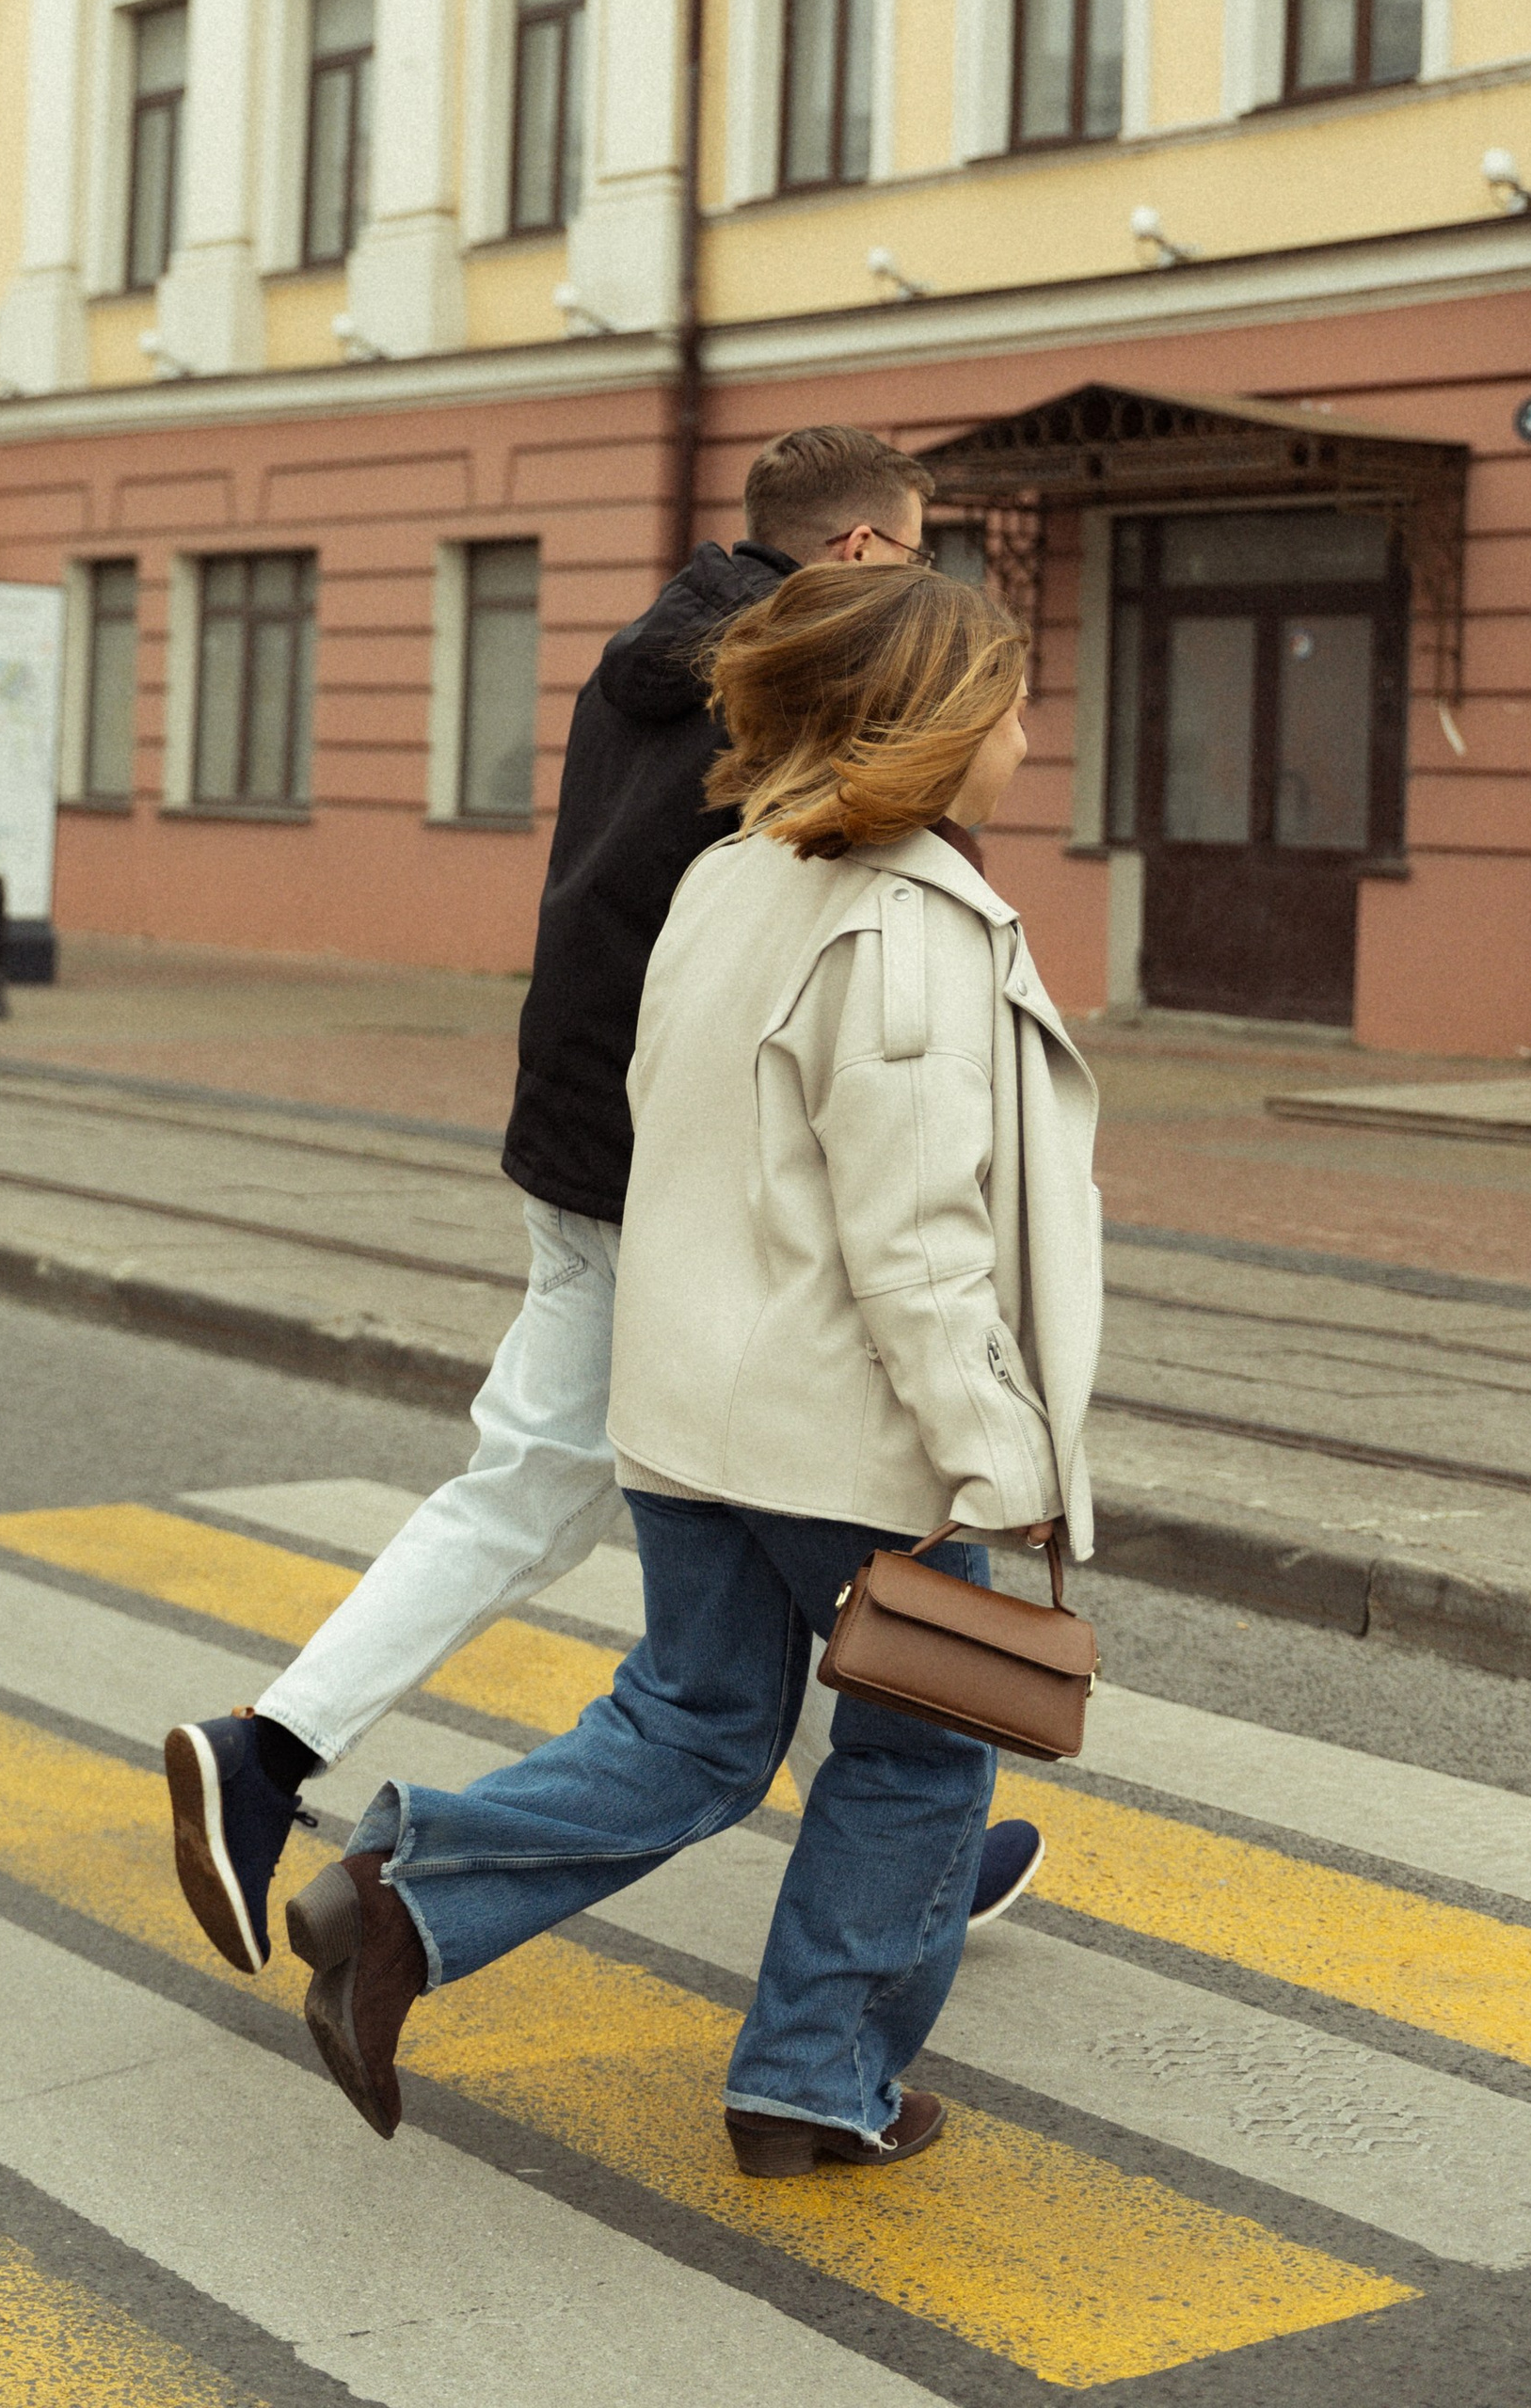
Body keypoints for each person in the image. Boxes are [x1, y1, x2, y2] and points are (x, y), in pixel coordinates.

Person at [164, 427, 1039, 1967]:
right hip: (691, 1173)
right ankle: (283, 1759)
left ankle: (918, 1846)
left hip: (585, 1131)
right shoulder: (800, 678)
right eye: (912, 556)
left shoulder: (645, 651)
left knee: (594, 1493)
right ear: (852, 555)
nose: (926, 600)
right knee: (827, 1521)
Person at [289, 563, 1101, 2171]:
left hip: (688, 1413)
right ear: (928, 721)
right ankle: (815, 2077)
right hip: (848, 1431)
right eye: (1007, 695)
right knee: (927, 1745)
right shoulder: (911, 916)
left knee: (699, 1723)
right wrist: (994, 1461)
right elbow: (919, 1236)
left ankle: (400, 1897)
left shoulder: (730, 877)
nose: (1027, 725)